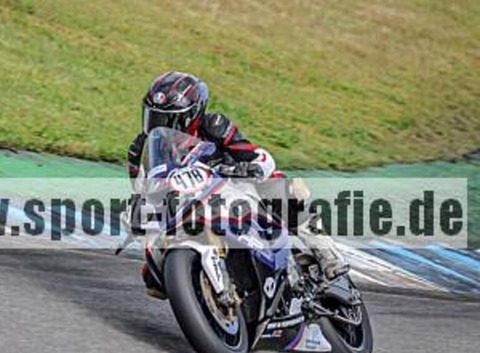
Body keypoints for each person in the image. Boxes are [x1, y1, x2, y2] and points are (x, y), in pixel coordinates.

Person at [127, 71, 349, 298]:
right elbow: (143, 190)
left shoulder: (214, 126)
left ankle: (327, 254)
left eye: (168, 119)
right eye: (154, 117)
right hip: (182, 204)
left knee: (284, 188)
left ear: (192, 115)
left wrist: (250, 167)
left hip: (231, 189)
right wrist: (137, 209)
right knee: (152, 279)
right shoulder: (140, 148)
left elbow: (257, 156)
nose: (159, 125)